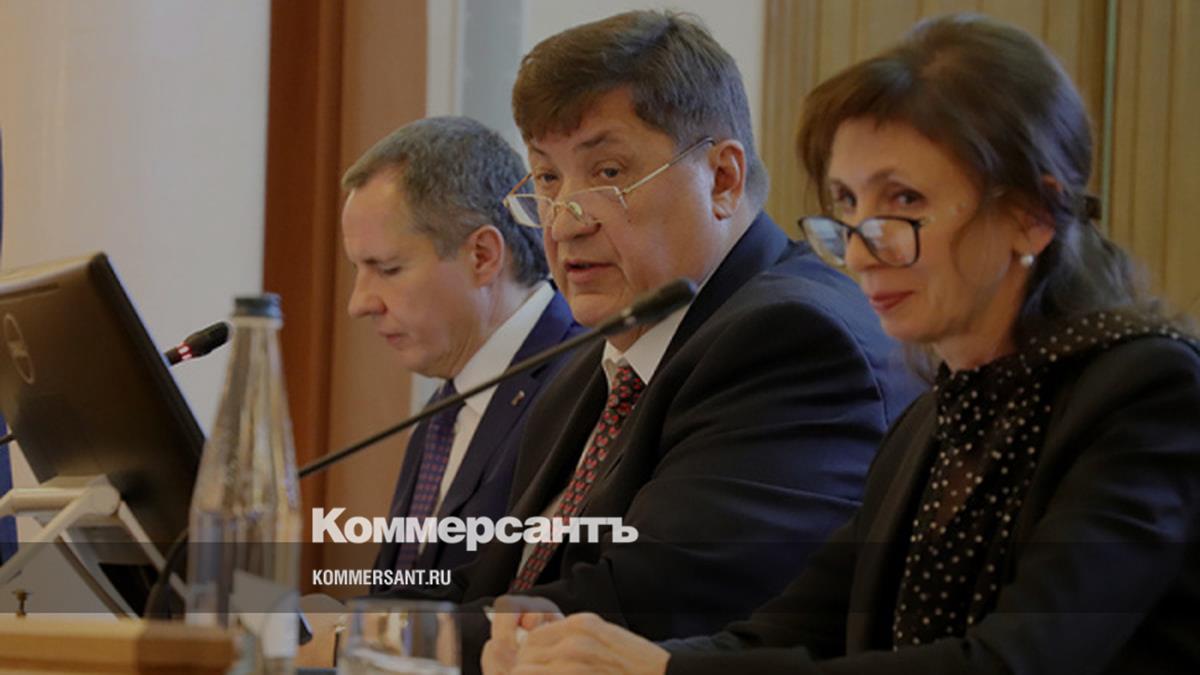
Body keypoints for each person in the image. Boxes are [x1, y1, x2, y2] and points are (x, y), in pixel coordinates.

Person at [490, 13, 1200, 675]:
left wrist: (660, 671)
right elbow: (787, 631)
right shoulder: (935, 418)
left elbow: (1015, 661)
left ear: (1030, 214)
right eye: (850, 205)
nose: (863, 249)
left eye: (905, 202)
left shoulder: (1146, 390)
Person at [394, 10, 922, 672]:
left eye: (609, 171)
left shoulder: (791, 341)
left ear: (723, 179)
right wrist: (340, 626)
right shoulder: (588, 368)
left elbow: (641, 605)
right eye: (548, 178)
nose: (565, 222)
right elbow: (494, 588)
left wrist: (374, 639)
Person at [340, 116, 581, 581]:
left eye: (387, 269)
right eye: (358, 270)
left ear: (482, 256)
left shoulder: (583, 387)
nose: (359, 304)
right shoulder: (446, 405)